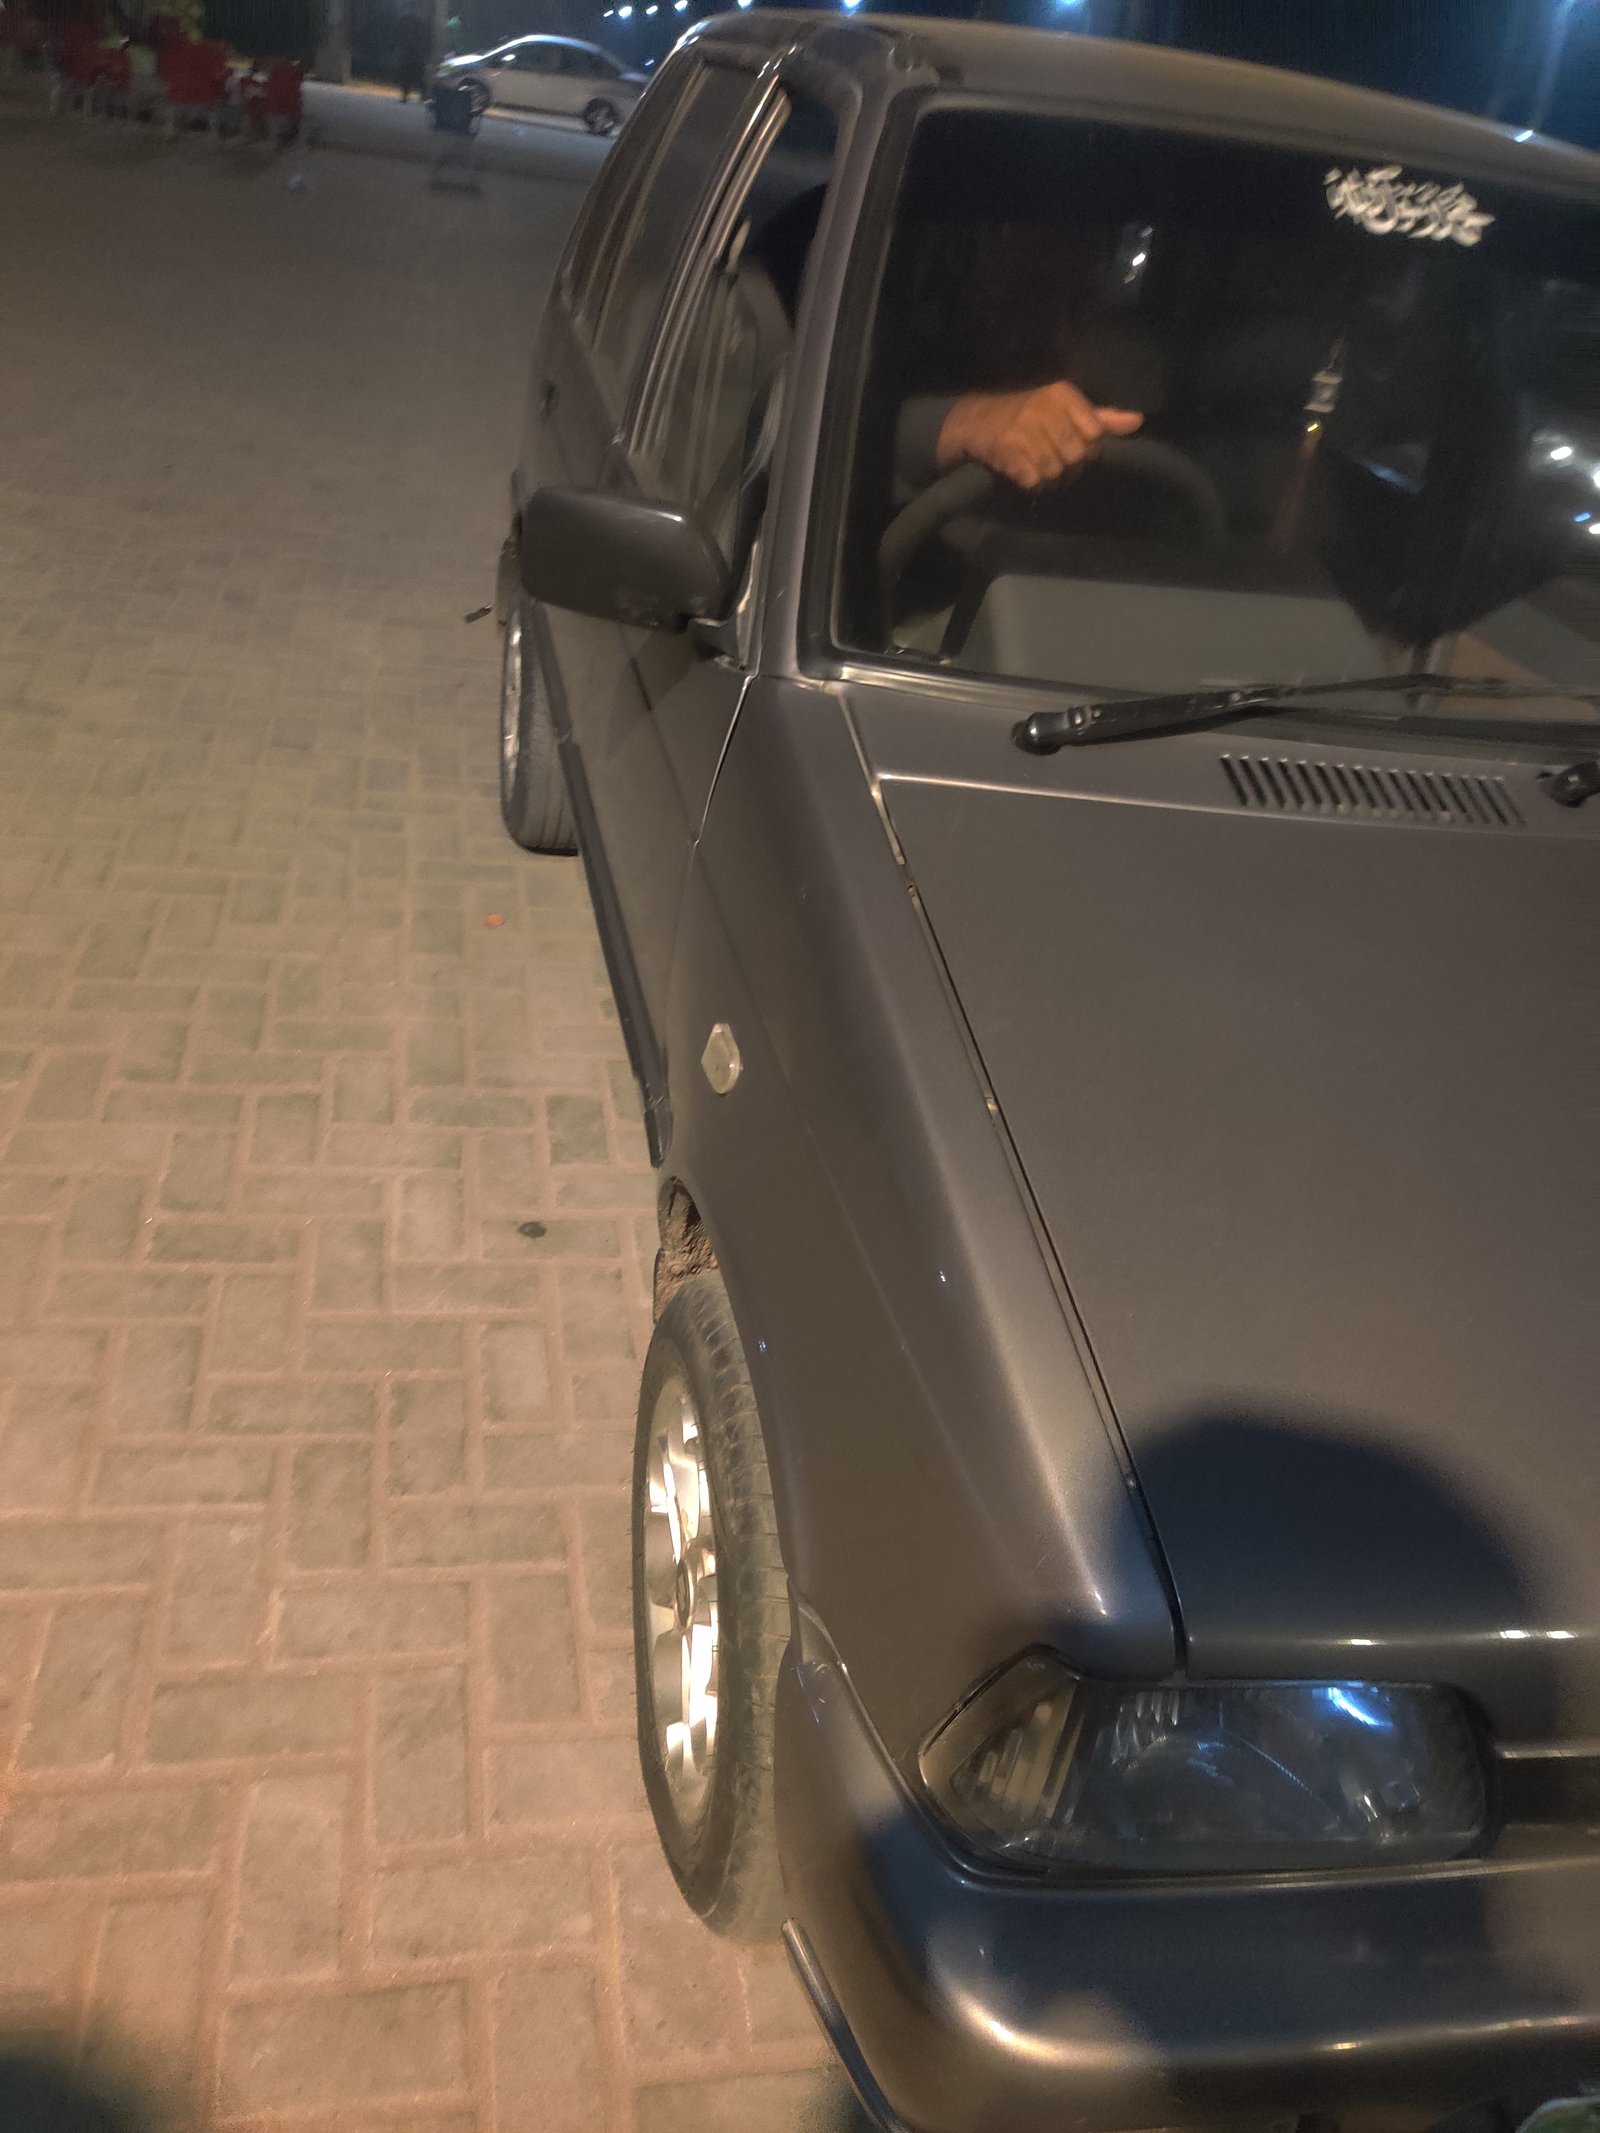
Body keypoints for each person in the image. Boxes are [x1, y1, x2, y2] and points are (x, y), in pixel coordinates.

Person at [394, 9, 426, 101]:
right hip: (413, 54)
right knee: (414, 76)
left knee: (412, 75)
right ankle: (412, 94)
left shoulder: (408, 26)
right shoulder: (418, 27)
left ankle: (408, 94)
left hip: (412, 54)